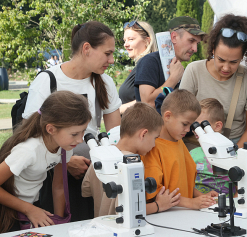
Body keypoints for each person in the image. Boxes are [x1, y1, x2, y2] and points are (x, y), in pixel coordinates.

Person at [22, 21, 122, 221]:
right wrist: (65, 162)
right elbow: (30, 134)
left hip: (94, 170)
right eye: (107, 53)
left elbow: (115, 135)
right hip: (54, 173)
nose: (111, 60)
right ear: (87, 48)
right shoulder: (48, 80)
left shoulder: (105, 82)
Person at [0, 91, 91, 233]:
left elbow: (59, 187)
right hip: (9, 212)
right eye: (74, 134)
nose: (80, 140)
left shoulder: (65, 147)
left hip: (31, 207)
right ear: (51, 129)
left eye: (83, 131)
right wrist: (29, 209)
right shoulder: (28, 150)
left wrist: (59, 224)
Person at [82, 102, 181, 216]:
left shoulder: (99, 158)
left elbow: (86, 190)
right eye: (155, 138)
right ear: (143, 134)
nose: (154, 145)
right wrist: (159, 205)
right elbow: (132, 209)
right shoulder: (134, 164)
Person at [180, 14, 247, 148]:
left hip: (234, 144)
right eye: (221, 59)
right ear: (212, 49)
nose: (226, 67)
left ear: (243, 56)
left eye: (233, 62)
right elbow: (180, 116)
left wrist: (233, 154)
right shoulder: (194, 70)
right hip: (196, 145)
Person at [141, 89, 217, 210]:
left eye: (191, 125)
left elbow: (184, 182)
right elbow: (156, 191)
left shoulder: (178, 140)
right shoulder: (151, 146)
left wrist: (202, 197)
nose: (188, 130)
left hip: (183, 214)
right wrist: (191, 203)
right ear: (168, 116)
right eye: (185, 124)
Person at [134, 16, 205, 107]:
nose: (195, 49)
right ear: (174, 37)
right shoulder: (150, 61)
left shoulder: (180, 69)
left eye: (197, 44)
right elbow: (148, 103)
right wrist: (173, 79)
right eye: (191, 41)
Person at [189, 98, 237, 196]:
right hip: (200, 203)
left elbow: (240, 183)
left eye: (201, 126)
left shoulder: (233, 154)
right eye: (195, 126)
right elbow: (186, 184)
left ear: (218, 126)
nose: (196, 131)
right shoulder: (192, 155)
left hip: (228, 204)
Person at [119, 21, 158, 114]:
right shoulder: (142, 65)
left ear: (147, 41)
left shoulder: (147, 65)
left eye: (131, 39)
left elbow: (147, 100)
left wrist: (117, 110)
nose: (125, 44)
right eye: (125, 40)